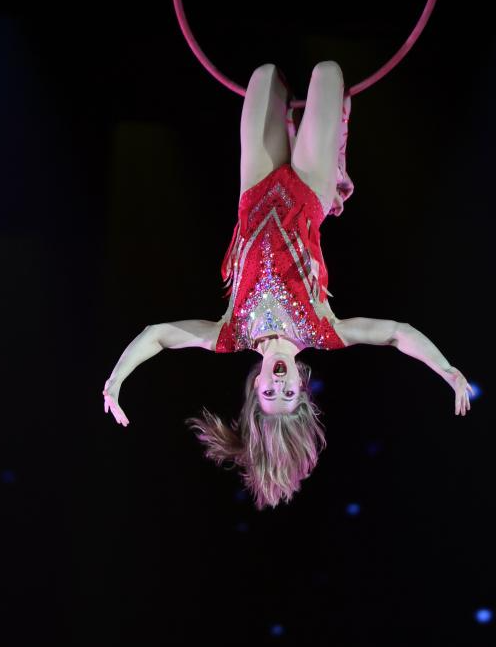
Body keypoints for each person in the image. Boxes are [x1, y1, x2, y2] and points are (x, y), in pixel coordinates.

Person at [102, 61, 472, 509]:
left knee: (264, 75)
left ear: (255, 387)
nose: (279, 383)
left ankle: (291, 115)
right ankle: (333, 169)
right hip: (308, 192)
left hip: (254, 190)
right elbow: (396, 333)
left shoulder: (230, 334)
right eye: (289, 393)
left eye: (269, 393)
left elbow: (157, 336)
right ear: (302, 385)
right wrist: (447, 369)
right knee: (327, 72)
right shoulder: (322, 331)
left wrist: (117, 378)